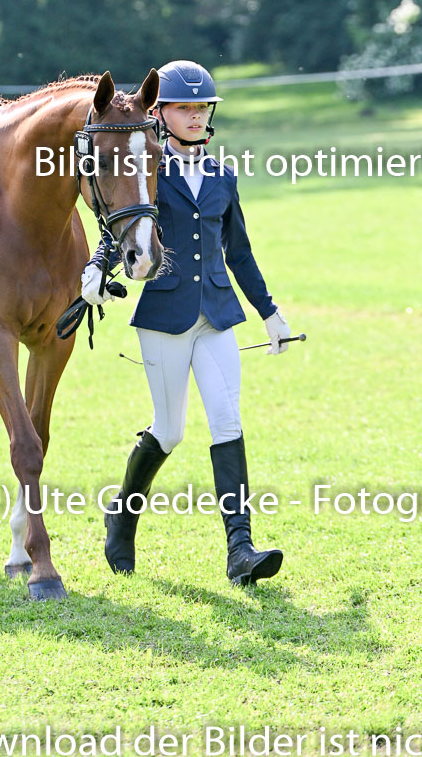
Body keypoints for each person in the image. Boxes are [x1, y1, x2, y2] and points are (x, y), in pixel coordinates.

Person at [80, 60, 292, 586]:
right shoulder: (150, 168)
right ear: (161, 114)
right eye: (184, 108)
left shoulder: (222, 176)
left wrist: (269, 312)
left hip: (217, 314)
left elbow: (239, 252)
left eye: (202, 108)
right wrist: (95, 270)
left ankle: (240, 550)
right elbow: (119, 224)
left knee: (227, 420)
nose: (195, 116)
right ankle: (122, 517)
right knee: (170, 429)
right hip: (164, 316)